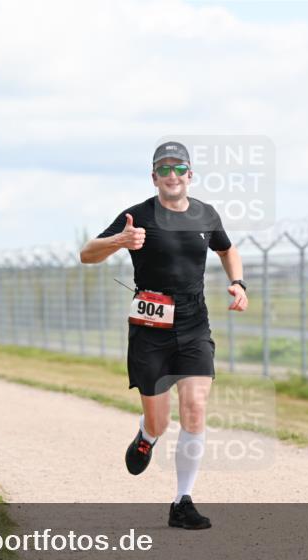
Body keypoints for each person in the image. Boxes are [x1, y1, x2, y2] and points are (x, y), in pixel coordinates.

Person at [80, 141, 248, 530]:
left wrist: (237, 282)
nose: (172, 175)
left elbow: (227, 249)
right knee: (161, 421)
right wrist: (119, 242)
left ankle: (182, 501)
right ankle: (146, 435)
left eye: (179, 168)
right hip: (150, 328)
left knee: (195, 409)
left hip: (193, 324)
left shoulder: (206, 213)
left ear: (190, 175)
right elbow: (87, 253)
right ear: (154, 177)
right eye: (164, 169)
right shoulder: (136, 216)